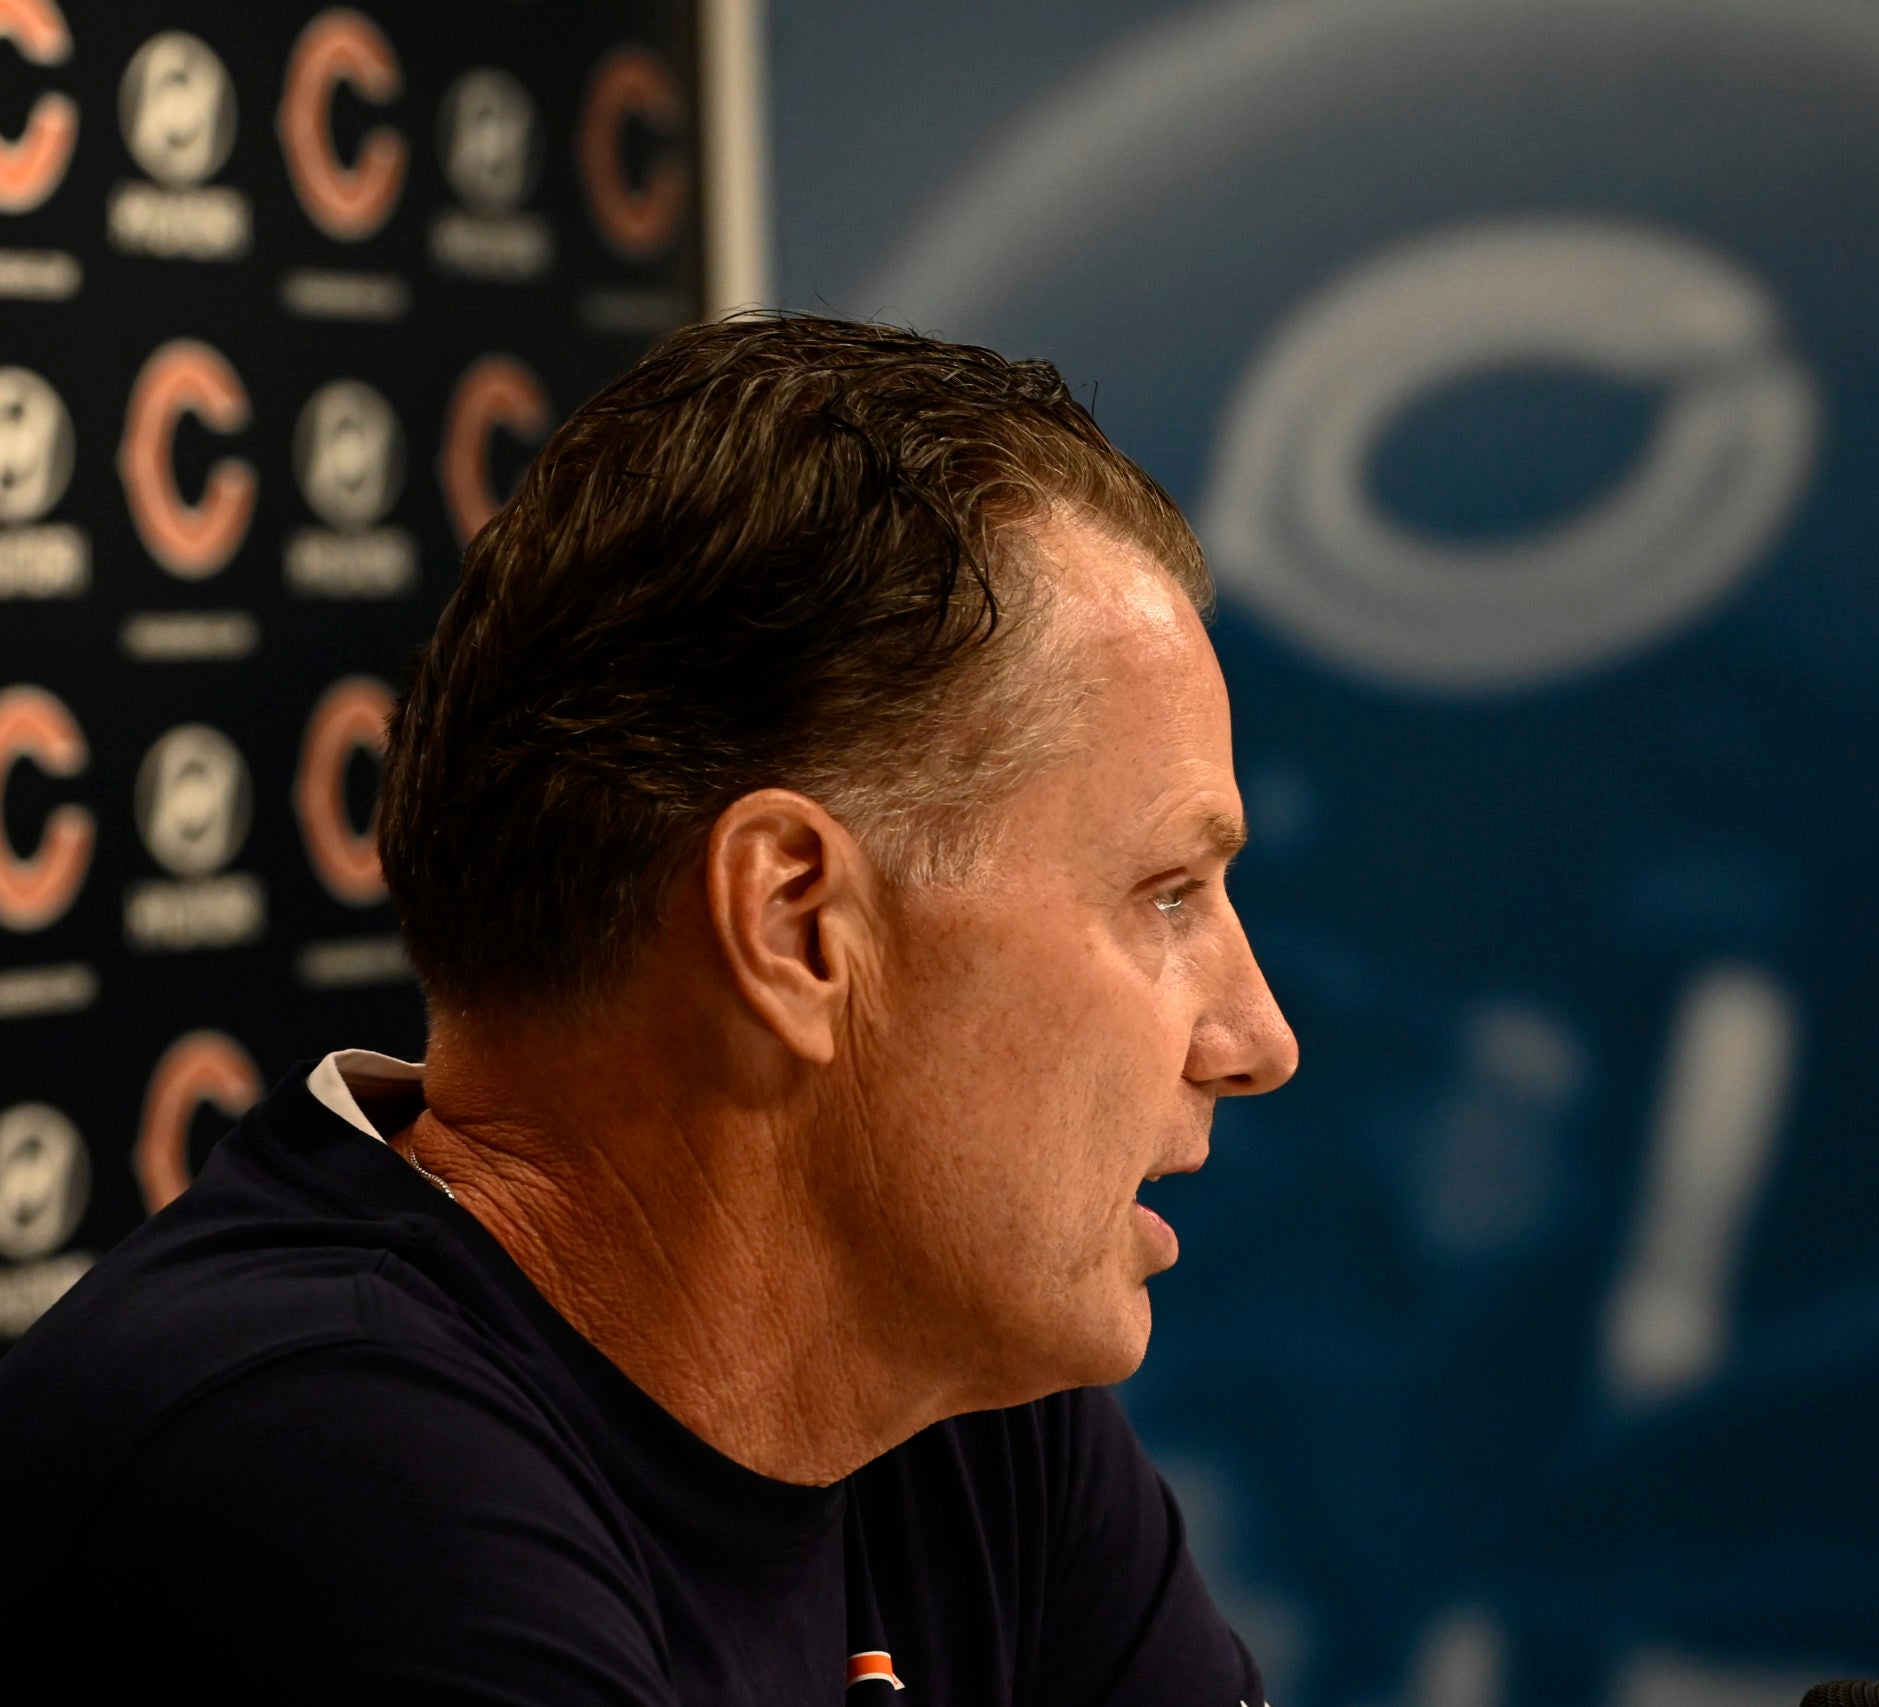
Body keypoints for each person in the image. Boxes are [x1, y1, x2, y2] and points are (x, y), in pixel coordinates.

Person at [0, 316, 1299, 1703]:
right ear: (796, 924)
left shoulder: (953, 1394)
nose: (1255, 1040)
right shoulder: (323, 1466)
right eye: (1166, 893)